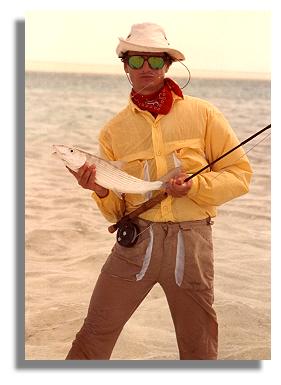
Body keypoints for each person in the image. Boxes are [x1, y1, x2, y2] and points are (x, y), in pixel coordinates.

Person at [65, 22, 252, 360]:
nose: (145, 69)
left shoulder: (204, 114)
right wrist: (100, 191)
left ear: (167, 65)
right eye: (136, 61)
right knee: (92, 337)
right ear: (125, 67)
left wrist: (196, 186)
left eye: (154, 61)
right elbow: (115, 209)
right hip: (135, 243)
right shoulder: (113, 131)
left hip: (190, 244)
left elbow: (240, 175)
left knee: (199, 348)